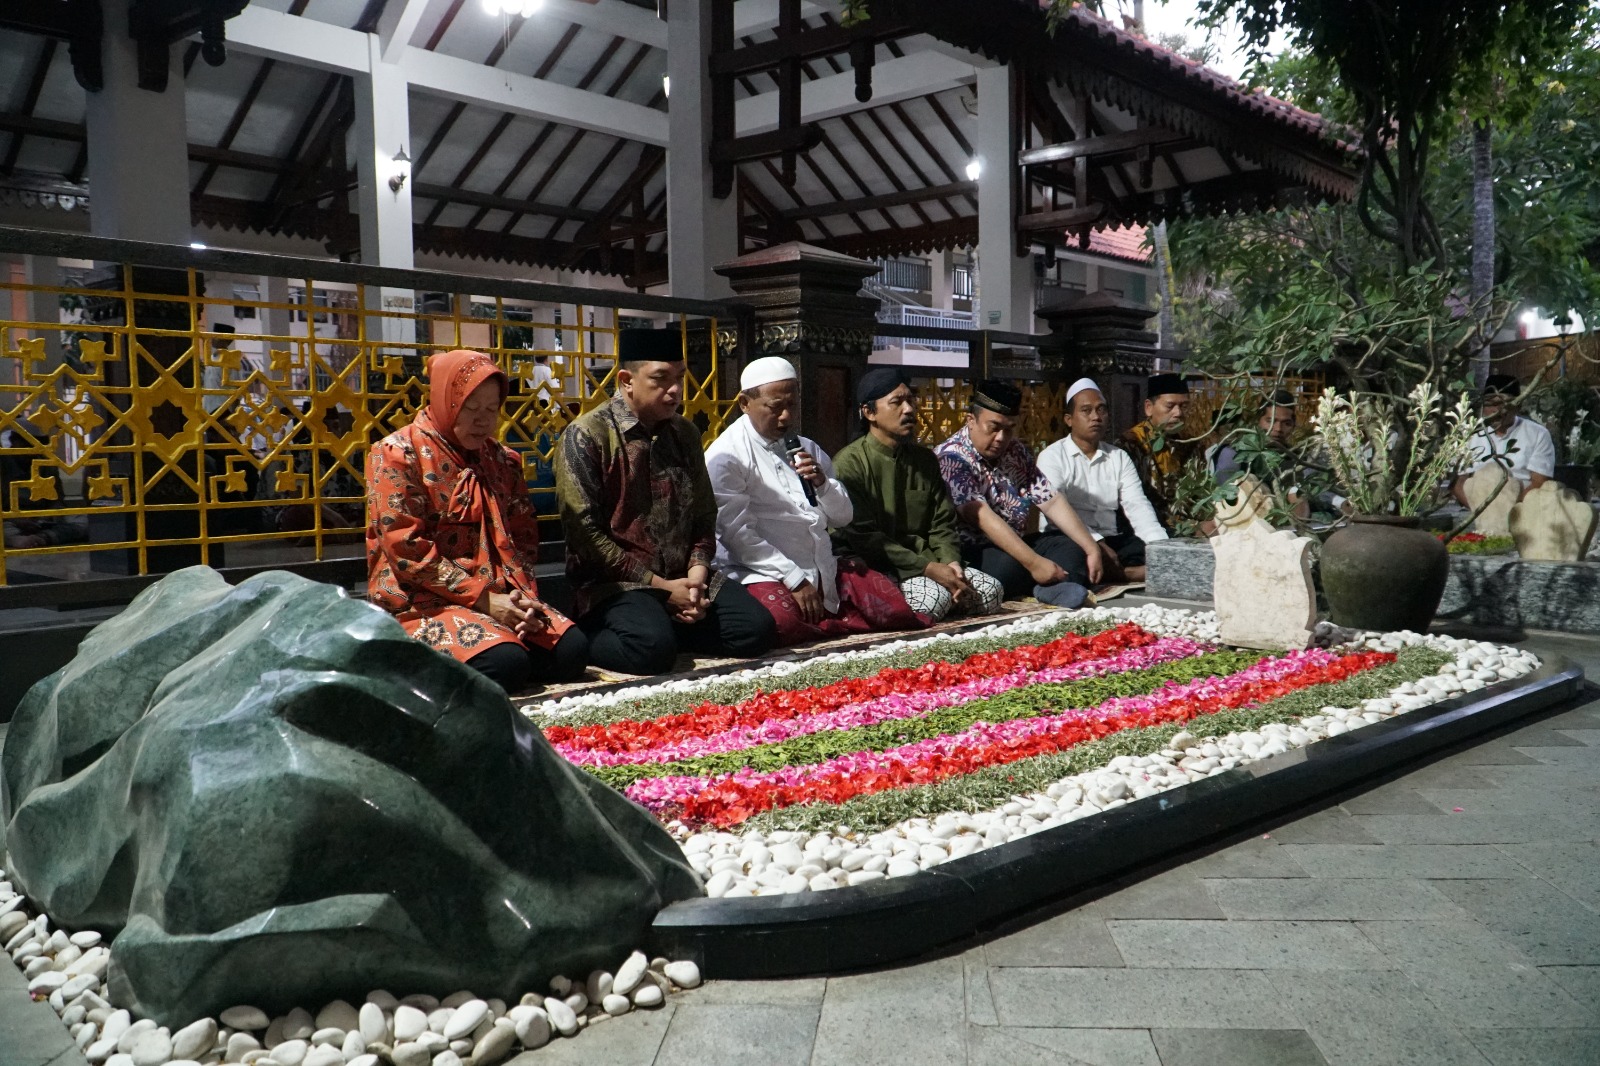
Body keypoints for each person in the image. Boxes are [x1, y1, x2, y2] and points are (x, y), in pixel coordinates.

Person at [555, 327, 776, 675]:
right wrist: (660, 588)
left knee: (757, 630)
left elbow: (704, 514)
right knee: (650, 653)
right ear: (627, 380)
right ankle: (595, 633)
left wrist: (695, 580)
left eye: (680, 378)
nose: (674, 391)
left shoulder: (685, 433)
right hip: (616, 584)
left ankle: (668, 623)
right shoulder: (587, 435)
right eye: (660, 379)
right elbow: (585, 535)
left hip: (682, 575)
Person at [366, 349, 588, 692]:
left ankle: (499, 639)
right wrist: (485, 602)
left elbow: (523, 537)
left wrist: (519, 597)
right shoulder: (397, 453)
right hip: (422, 600)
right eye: (471, 408)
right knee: (506, 665)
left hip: (500, 593)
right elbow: (406, 549)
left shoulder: (501, 459)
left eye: (491, 409)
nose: (482, 420)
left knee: (570, 652)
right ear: (446, 400)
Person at [706, 356, 925, 646]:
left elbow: (843, 517)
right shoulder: (726, 457)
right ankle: (829, 621)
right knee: (778, 623)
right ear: (745, 403)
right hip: (762, 569)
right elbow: (738, 536)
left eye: (791, 405)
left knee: (893, 607)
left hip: (821, 564)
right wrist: (794, 578)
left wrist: (822, 484)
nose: (786, 416)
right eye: (775, 407)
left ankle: (826, 619)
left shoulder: (806, 447)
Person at [832, 368, 1004, 622]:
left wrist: (951, 564)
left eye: (910, 399)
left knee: (991, 592)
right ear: (869, 413)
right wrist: (928, 569)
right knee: (932, 600)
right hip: (881, 566)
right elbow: (864, 538)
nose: (909, 409)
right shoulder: (849, 463)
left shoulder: (925, 460)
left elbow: (942, 522)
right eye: (896, 402)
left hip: (931, 562)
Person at [934, 380, 1102, 606]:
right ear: (971, 420)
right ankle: (1044, 585)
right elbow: (980, 515)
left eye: (1009, 429)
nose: (1002, 438)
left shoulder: (1016, 450)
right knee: (1007, 568)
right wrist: (1034, 563)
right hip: (976, 550)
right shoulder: (952, 457)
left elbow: (1050, 501)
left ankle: (1049, 587)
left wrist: (1091, 547)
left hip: (1018, 542)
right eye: (994, 428)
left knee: (1071, 547)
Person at [1037, 378, 1168, 583]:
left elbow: (1137, 505)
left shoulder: (1118, 457)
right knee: (1073, 563)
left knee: (1152, 554)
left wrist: (1161, 547)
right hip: (1067, 537)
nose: (1095, 417)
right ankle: (1128, 574)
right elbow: (1055, 513)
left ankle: (1124, 575)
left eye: (1101, 410)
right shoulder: (1052, 457)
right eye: (1086, 411)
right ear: (1068, 419)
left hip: (1113, 538)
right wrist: (1095, 543)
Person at [1451, 374, 1555, 504]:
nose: (1497, 410)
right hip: (1478, 510)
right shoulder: (1470, 434)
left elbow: (1540, 482)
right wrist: (1479, 510)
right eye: (1490, 403)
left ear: (1518, 405)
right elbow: (1458, 481)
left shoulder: (1538, 434)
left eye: (1504, 404)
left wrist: (1507, 511)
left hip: (1522, 509)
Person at [1119, 373, 1197, 532]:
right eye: (1170, 406)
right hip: (1145, 529)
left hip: (1191, 528)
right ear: (1149, 407)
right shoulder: (1130, 445)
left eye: (1183, 406)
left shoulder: (1190, 443)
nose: (1178, 413)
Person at [1212, 389, 1298, 484]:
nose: (1278, 429)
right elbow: (1225, 494)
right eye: (1270, 421)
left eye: (1287, 423)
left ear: (1294, 425)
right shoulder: (1234, 454)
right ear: (1258, 420)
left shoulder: (1297, 457)